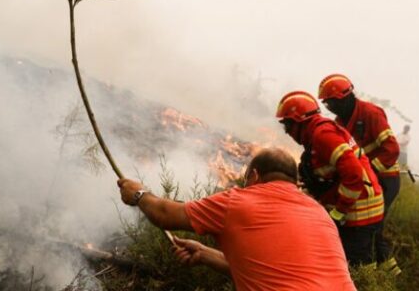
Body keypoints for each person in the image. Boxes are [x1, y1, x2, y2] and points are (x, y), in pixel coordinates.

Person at [116, 148, 356, 291]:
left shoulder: (239, 201)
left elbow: (165, 214)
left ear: (253, 175)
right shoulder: (318, 212)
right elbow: (274, 272)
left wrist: (138, 194)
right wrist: (206, 254)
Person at [276, 90, 385, 266]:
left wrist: (338, 212)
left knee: (354, 267)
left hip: (358, 212)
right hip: (365, 205)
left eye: (287, 125)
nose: (287, 132)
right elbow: (335, 174)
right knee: (378, 258)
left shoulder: (323, 136)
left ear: (299, 121)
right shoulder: (320, 132)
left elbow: (354, 175)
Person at [317, 74, 401, 274]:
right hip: (368, 181)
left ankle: (371, 276)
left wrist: (369, 171)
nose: (331, 109)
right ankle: (390, 274)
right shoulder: (340, 122)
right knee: (373, 230)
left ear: (344, 98)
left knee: (372, 228)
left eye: (332, 104)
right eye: (327, 105)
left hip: (386, 179)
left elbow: (392, 148)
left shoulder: (371, 113)